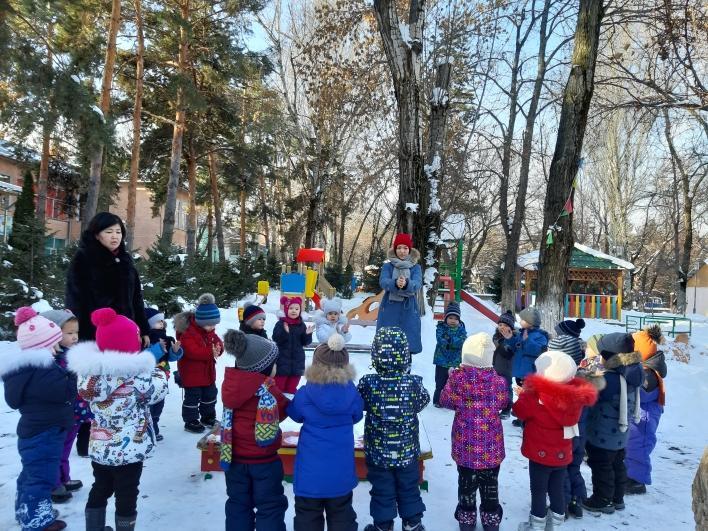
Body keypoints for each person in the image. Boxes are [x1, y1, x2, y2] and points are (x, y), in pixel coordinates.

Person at [67, 308, 168, 531]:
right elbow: (158, 390)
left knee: (100, 486)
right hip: (130, 450)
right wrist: (159, 372)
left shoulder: (89, 375)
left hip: (101, 449)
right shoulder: (138, 377)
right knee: (127, 492)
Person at [2, 307, 76, 531]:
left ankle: (26, 511)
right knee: (42, 478)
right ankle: (37, 522)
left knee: (30, 475)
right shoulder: (43, 370)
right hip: (47, 432)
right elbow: (65, 392)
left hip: (33, 431)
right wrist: (73, 373)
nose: (57, 349)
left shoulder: (22, 369)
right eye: (54, 344)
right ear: (41, 346)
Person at [514, 351, 598, 530]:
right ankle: (555, 523)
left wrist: (523, 394)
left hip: (539, 454)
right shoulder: (575, 397)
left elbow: (519, 412)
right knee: (557, 489)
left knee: (538, 490)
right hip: (562, 454)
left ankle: (536, 525)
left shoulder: (534, 395)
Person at [288, 334, 363, 531]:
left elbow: (294, 414)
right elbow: (357, 416)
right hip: (341, 471)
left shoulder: (305, 392)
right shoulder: (352, 393)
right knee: (342, 514)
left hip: (309, 474)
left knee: (307, 516)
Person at [358, 327, 430, 531]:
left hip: (378, 454)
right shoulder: (413, 383)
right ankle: (413, 523)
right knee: (409, 487)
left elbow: (360, 403)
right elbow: (423, 401)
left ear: (375, 354)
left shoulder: (368, 384)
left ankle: (382, 525)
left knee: (382, 490)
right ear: (405, 355)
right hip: (407, 453)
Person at [221, 328, 289, 531]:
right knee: (269, 505)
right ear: (265, 368)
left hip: (235, 460)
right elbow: (283, 411)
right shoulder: (268, 389)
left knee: (238, 505)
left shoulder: (231, 384)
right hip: (264, 461)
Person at [439, 332, 508, 531]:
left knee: (466, 486)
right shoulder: (498, 382)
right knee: (490, 487)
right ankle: (491, 521)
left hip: (466, 448)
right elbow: (504, 402)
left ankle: (466, 520)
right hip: (491, 449)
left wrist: (451, 378)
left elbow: (445, 400)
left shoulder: (458, 380)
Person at [65, 212, 149, 345]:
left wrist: (143, 329)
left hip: (128, 332)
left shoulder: (125, 261)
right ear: (97, 234)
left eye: (118, 232)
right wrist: (83, 336)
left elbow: (136, 299)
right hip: (96, 335)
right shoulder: (84, 259)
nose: (115, 236)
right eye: (109, 232)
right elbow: (76, 302)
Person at [583, 333, 643, 515]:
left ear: (608, 356)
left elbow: (589, 395)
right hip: (620, 433)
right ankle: (617, 498)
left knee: (601, 465)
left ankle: (602, 499)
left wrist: (586, 378)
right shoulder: (632, 372)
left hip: (602, 434)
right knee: (617, 463)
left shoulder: (609, 380)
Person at [39, 309, 85, 504]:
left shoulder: (70, 353)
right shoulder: (50, 358)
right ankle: (53, 483)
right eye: (69, 333)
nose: (74, 337)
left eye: (76, 332)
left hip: (74, 411)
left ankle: (63, 478)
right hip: (60, 413)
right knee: (55, 448)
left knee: (65, 447)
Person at [174, 293, 224, 434]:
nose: (213, 327)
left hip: (207, 372)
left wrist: (219, 348)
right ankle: (191, 420)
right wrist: (211, 352)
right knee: (192, 397)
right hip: (191, 373)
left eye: (214, 324)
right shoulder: (188, 333)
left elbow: (217, 341)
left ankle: (208, 417)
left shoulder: (209, 331)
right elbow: (192, 351)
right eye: (210, 324)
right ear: (201, 321)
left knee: (210, 394)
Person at [626, 326, 666, 495]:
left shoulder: (648, 374)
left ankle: (637, 482)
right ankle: (629, 475)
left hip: (645, 418)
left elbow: (641, 392)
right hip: (640, 415)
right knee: (631, 446)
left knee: (639, 449)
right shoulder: (645, 367)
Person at [501, 307, 549, 427]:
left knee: (529, 396)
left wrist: (527, 341)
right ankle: (522, 417)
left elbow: (538, 350)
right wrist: (509, 339)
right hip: (519, 371)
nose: (520, 321)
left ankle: (528, 420)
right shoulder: (522, 333)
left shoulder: (540, 336)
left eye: (522, 319)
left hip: (530, 372)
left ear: (530, 322)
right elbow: (515, 347)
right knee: (521, 395)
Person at [376, 233, 423, 354]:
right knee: (388, 342)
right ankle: (386, 367)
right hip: (389, 307)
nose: (402, 251)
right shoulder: (388, 266)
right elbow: (383, 281)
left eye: (405, 248)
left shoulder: (416, 267)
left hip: (409, 307)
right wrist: (395, 283)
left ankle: (406, 368)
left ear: (410, 249)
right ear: (395, 249)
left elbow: (417, 283)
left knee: (407, 343)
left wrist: (406, 284)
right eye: (399, 248)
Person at [144, 307, 183, 441]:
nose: (161, 323)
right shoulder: (145, 339)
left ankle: (154, 423)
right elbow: (145, 356)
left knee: (160, 401)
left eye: (162, 321)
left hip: (162, 375)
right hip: (148, 376)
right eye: (157, 321)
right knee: (149, 402)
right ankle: (148, 428)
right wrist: (159, 348)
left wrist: (175, 351)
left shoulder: (167, 337)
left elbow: (170, 358)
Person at [272, 296, 314, 395]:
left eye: (296, 308)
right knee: (279, 389)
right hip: (282, 362)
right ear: (286, 309)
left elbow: (305, 342)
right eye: (291, 308)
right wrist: (285, 332)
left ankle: (290, 405)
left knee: (291, 389)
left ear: (300, 310)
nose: (294, 311)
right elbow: (276, 338)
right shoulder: (280, 324)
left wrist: (308, 334)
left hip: (297, 362)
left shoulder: (301, 325)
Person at [432, 302, 467, 406]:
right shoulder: (441, 327)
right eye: (450, 318)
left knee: (454, 383)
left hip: (455, 362)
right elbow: (440, 340)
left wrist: (450, 340)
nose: (453, 321)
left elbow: (462, 341)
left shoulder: (461, 329)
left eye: (456, 319)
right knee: (440, 382)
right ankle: (437, 400)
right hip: (441, 361)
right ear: (446, 318)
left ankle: (452, 401)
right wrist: (452, 341)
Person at [492, 311, 516, 419]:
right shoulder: (495, 337)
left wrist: (506, 341)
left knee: (506, 388)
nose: (502, 327)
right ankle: (495, 406)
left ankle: (507, 408)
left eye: (506, 325)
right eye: (500, 325)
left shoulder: (513, 338)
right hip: (495, 367)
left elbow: (509, 353)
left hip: (507, 368)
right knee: (495, 388)